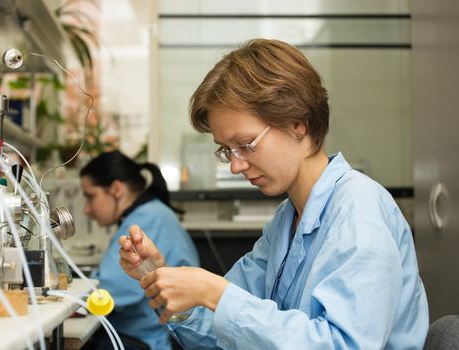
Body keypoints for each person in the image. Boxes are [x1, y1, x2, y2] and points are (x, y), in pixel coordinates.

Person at [118, 39, 429, 349]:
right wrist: (159, 277)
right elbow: (223, 333)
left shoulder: (359, 212)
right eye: (227, 151)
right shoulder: (286, 221)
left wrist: (215, 293)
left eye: (246, 144)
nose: (235, 166)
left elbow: (343, 344)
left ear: (298, 125)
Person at [80, 150, 199, 350]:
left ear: (116, 189)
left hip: (143, 341)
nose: (87, 209)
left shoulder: (145, 220)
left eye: (90, 197)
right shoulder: (152, 212)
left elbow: (112, 290)